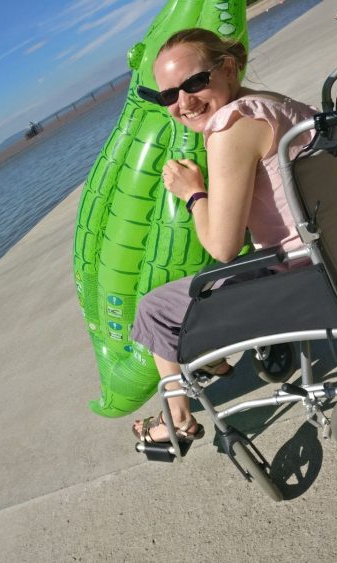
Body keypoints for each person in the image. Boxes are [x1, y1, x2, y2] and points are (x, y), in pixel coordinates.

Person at [131, 28, 316, 445]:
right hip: (334, 246)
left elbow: (224, 247)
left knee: (155, 308)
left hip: (298, 276)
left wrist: (192, 192)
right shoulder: (275, 104)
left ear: (228, 68)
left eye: (195, 83)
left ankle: (176, 418)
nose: (184, 103)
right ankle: (212, 364)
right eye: (169, 96)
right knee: (203, 288)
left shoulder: (230, 130)